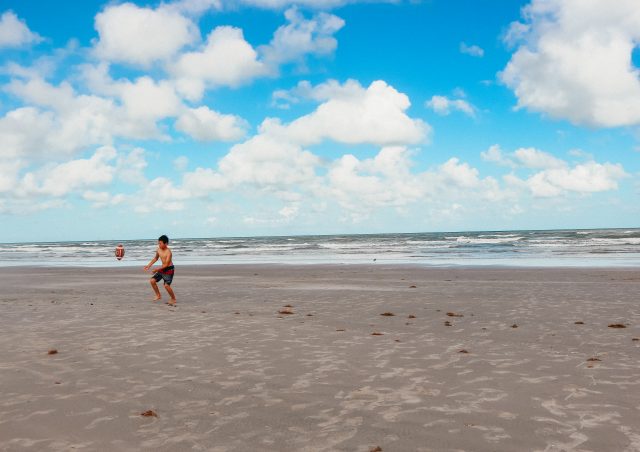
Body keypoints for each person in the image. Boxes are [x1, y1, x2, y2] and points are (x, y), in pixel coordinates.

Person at [144, 235, 176, 305]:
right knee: (152, 281)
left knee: (166, 286)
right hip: (162, 268)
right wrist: (148, 265)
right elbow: (155, 258)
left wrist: (156, 270)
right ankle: (158, 295)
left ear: (166, 244)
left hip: (169, 269)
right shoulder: (158, 250)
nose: (159, 245)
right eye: (158, 243)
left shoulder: (168, 252)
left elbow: (166, 265)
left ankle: (173, 298)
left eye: (160, 243)